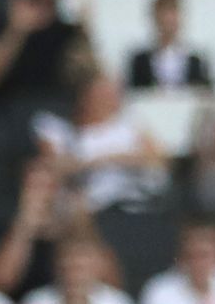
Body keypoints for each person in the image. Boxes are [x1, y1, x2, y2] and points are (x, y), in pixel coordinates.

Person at [34, 72, 168, 214]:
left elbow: (158, 159)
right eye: (104, 94)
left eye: (115, 93)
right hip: (88, 204)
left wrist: (107, 160)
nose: (113, 99)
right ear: (85, 97)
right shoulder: (60, 128)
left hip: (134, 199)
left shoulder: (129, 123)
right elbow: (53, 166)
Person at [22, 234, 141, 304]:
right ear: (57, 268)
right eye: (68, 267)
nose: (74, 276)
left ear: (96, 269)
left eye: (80, 268)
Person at [128, 0, 214, 91]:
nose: (167, 22)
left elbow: (205, 91)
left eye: (172, 16)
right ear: (155, 19)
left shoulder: (196, 62)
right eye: (163, 17)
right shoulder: (140, 61)